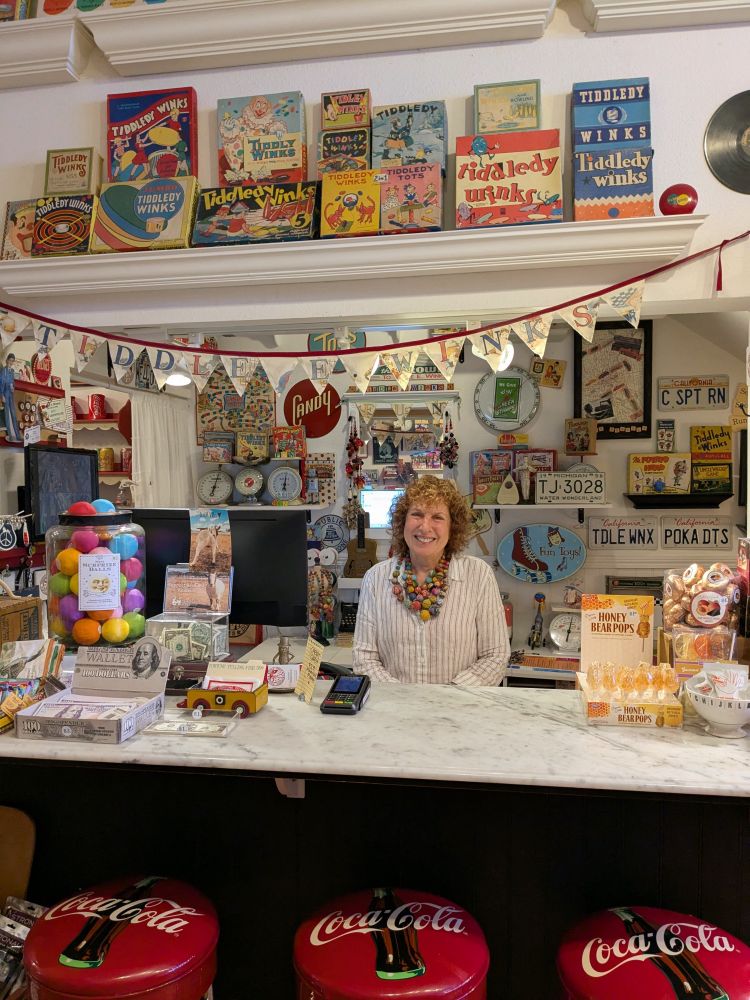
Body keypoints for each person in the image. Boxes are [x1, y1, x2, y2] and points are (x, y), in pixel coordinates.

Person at [353, 477, 509, 685]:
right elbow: (364, 658)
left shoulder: (478, 575)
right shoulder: (375, 579)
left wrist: (448, 697)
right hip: (394, 711)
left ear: (453, 527)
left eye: (437, 517)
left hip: (459, 710)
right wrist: (402, 698)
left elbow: (495, 655)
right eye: (417, 514)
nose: (425, 527)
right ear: (403, 522)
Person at [0, 352, 21, 442]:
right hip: (5, 393)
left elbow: (13, 382)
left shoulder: (12, 371)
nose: (11, 362)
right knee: (7, 414)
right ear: (7, 360)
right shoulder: (3, 371)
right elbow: (0, 384)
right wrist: (2, 396)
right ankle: (11, 435)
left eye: (12, 361)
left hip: (11, 394)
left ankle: (17, 435)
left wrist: (13, 387)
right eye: (10, 360)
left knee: (13, 414)